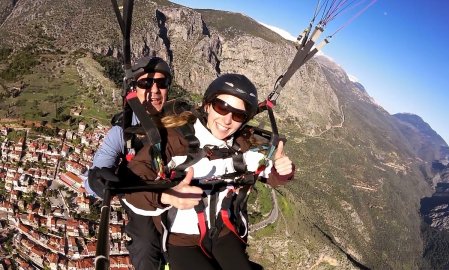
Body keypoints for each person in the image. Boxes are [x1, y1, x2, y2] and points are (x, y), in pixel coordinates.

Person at [122, 73, 295, 270]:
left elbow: (268, 174)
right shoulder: (174, 140)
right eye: (222, 107)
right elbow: (132, 182)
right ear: (207, 105)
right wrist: (167, 197)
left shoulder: (242, 146)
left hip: (224, 233)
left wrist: (281, 171)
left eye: (238, 115)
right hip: (182, 240)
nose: (227, 120)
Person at [85, 56, 173, 270]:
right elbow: (99, 167)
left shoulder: (178, 122)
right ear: (135, 89)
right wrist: (98, 179)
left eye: (161, 84)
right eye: (146, 83)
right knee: (145, 245)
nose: (154, 90)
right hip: (138, 197)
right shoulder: (122, 131)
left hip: (173, 194)